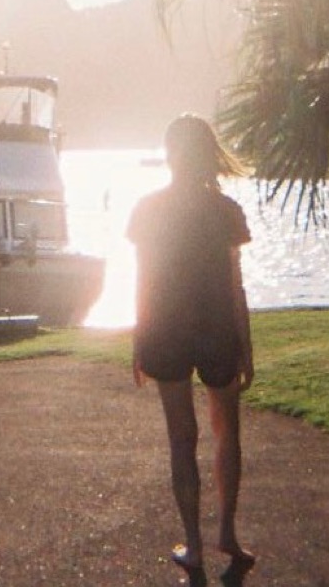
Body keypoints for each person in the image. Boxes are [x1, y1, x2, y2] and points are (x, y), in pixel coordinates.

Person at [126, 114, 256, 580]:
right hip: (216, 326)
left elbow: (144, 280)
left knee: (182, 437)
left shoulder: (149, 208)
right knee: (227, 431)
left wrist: (139, 336)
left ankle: (196, 544)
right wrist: (246, 344)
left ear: (170, 153)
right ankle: (227, 534)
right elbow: (235, 284)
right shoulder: (225, 210)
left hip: (166, 328)